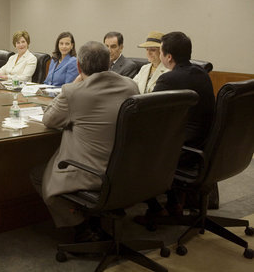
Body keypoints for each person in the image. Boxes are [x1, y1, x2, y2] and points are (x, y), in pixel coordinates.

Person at [30, 41, 138, 240]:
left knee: (39, 174)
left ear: (79, 67)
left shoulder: (74, 92)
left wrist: (72, 84)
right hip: (126, 170)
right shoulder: (131, 86)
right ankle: (97, 218)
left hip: (92, 172)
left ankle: (80, 227)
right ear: (108, 64)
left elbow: (49, 119)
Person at [135, 31, 215, 222]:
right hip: (204, 146)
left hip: (183, 150)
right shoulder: (202, 74)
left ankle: (155, 207)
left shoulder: (169, 79)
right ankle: (173, 203)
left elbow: (148, 116)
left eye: (160, 51)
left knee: (131, 152)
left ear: (168, 57)